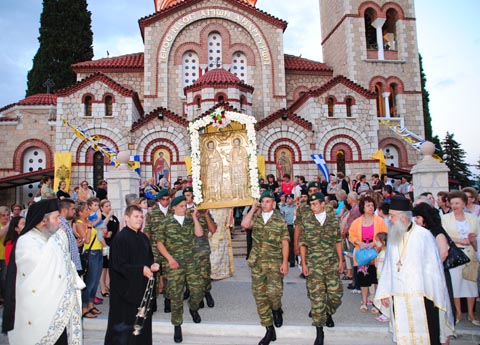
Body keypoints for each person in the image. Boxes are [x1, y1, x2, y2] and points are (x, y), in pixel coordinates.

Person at [375, 196, 454, 345]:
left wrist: (433, 292)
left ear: (403, 216)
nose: (389, 219)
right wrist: (385, 291)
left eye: (392, 215)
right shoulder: (393, 236)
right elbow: (388, 267)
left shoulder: (423, 236)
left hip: (422, 294)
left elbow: (433, 270)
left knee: (428, 334)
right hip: (399, 294)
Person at [3, 199, 84, 344]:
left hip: (59, 313)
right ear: (43, 221)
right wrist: (59, 239)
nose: (60, 221)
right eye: (56, 217)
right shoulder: (26, 241)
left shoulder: (54, 238)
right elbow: (42, 270)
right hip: (37, 315)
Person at [104, 205, 159, 345]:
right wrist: (141, 270)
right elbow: (118, 266)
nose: (139, 219)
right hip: (125, 294)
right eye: (136, 216)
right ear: (126, 218)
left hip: (141, 290)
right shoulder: (120, 239)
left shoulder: (143, 238)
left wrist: (152, 266)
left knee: (142, 327)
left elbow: (148, 259)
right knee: (125, 330)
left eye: (141, 217)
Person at [241, 190, 289, 345]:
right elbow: (244, 224)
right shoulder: (256, 218)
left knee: (274, 293)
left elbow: (284, 242)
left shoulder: (279, 221)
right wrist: (253, 209)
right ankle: (269, 329)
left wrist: (285, 262)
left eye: (268, 201)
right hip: (257, 263)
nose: (265, 204)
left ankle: (276, 309)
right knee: (260, 296)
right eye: (263, 202)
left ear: (274, 204)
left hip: (274, 262)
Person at [157, 196, 205, 343]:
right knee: (176, 297)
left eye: (186, 205)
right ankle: (177, 325)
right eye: (182, 206)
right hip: (174, 265)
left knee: (197, 290)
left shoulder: (190, 221)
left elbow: (199, 234)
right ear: (174, 207)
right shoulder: (165, 223)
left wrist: (195, 218)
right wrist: (170, 259)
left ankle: (193, 307)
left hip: (191, 262)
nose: (185, 208)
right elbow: (160, 244)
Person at [299, 192, 343, 345]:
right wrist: (303, 264)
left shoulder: (332, 220)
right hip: (314, 265)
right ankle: (319, 331)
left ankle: (327, 313)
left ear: (323, 204)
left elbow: (338, 240)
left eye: (315, 204)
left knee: (336, 295)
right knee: (317, 298)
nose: (313, 207)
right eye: (310, 205)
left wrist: (341, 260)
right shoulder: (307, 221)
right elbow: (303, 243)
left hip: (331, 263)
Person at [441, 190, 479, 325]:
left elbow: (477, 236)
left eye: (457, 203)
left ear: (464, 203)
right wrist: (460, 240)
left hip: (470, 254)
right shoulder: (445, 219)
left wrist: (473, 240)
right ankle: (457, 313)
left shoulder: (473, 218)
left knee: (471, 285)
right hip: (454, 255)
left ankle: (471, 314)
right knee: (455, 285)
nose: (455, 205)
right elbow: (443, 235)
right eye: (452, 203)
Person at [348, 196, 388, 313]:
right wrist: (358, 242)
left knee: (376, 278)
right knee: (363, 278)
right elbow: (351, 235)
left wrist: (374, 243)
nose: (371, 207)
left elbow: (384, 234)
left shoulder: (379, 221)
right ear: (363, 207)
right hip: (362, 253)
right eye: (368, 205)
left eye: (372, 205)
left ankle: (376, 303)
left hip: (376, 252)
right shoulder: (357, 222)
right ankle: (364, 302)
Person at [144, 189, 172, 313]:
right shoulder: (152, 213)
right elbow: (147, 231)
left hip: (170, 249)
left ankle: (168, 301)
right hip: (155, 248)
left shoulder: (173, 212)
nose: (165, 202)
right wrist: (146, 248)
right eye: (163, 199)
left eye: (167, 199)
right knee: (154, 277)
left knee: (169, 276)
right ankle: (153, 301)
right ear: (159, 200)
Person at [100, 199, 119, 297]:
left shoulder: (114, 217)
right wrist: (108, 215)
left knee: (110, 266)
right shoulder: (102, 217)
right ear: (102, 208)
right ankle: (103, 288)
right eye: (106, 206)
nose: (109, 208)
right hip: (104, 244)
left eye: (109, 205)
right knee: (104, 267)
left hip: (113, 243)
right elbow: (102, 226)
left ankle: (108, 285)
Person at [58, 198, 82, 273]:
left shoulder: (66, 223)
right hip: (68, 267)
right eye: (73, 209)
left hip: (73, 265)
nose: (74, 212)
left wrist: (75, 243)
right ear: (65, 210)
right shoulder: (60, 224)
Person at [373, 231, 389, 323]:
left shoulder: (386, 253)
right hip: (380, 277)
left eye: (377, 241)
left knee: (385, 295)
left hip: (384, 278)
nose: (375, 243)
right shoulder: (381, 252)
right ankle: (383, 312)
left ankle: (387, 313)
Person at [278, 193, 296, 267]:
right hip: (287, 226)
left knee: (295, 243)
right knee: (288, 244)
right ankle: (291, 260)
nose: (288, 200)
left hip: (294, 226)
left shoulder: (296, 207)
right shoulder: (284, 207)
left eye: (290, 198)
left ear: (293, 199)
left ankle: (297, 259)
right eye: (287, 198)